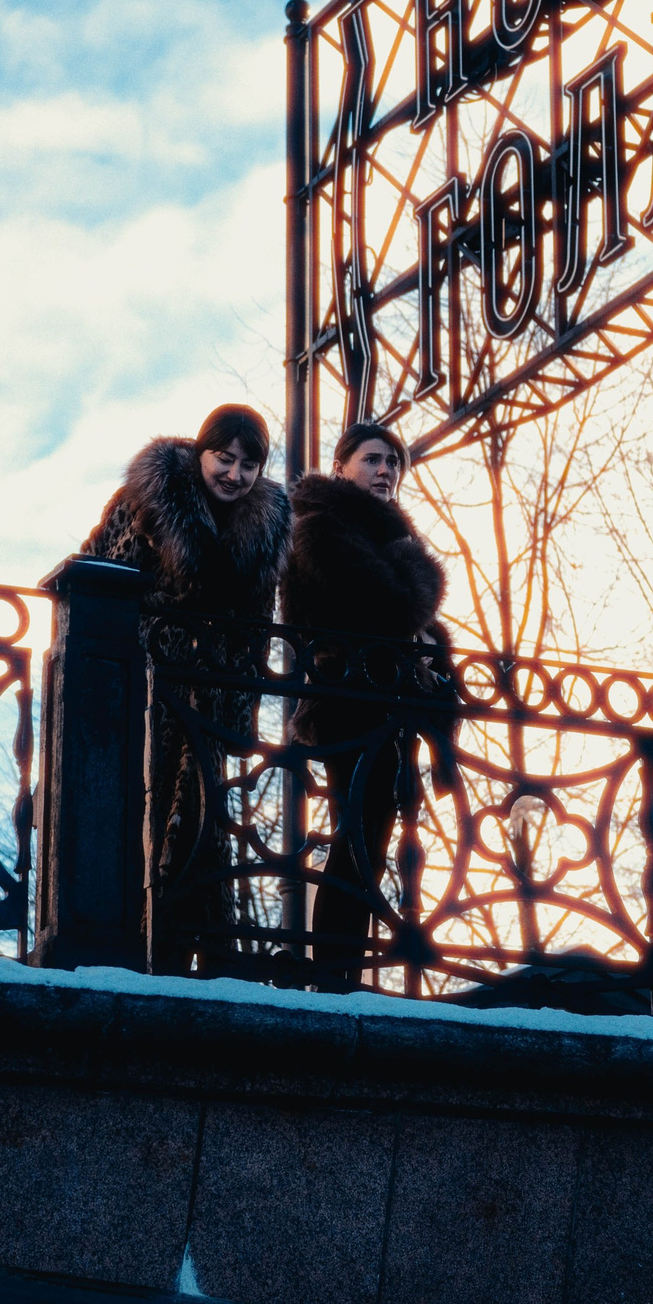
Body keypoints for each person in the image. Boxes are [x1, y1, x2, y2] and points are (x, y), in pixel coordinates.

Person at [79, 404, 291, 970]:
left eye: (249, 465)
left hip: (207, 701)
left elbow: (256, 631)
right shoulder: (146, 502)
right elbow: (98, 582)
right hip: (139, 694)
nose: (235, 475)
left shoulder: (264, 527)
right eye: (224, 459)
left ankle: (189, 955)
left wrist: (241, 712)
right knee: (131, 823)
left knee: (199, 829)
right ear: (201, 453)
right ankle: (135, 955)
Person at [280, 421, 452, 988]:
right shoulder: (320, 525)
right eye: (373, 460)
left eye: (393, 463)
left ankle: (343, 968)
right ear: (341, 467)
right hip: (344, 704)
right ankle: (334, 973)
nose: (386, 472)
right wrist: (415, 586)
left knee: (369, 840)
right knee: (357, 838)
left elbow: (411, 620)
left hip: (378, 705)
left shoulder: (375, 533)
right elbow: (392, 605)